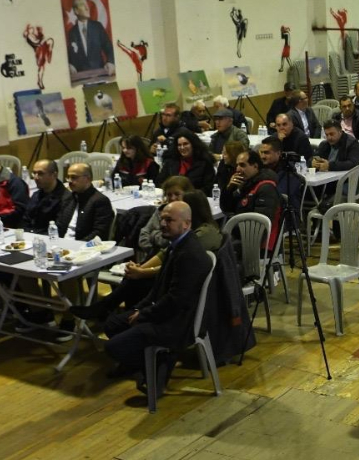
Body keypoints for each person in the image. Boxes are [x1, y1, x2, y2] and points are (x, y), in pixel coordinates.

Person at [101, 201, 214, 387]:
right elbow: (157, 290)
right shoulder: (176, 245)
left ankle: (157, 367)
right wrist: (139, 309)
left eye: (169, 220)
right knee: (112, 325)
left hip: (178, 323)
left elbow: (176, 301)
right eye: (162, 219)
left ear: (186, 224)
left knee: (113, 347)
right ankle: (146, 365)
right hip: (167, 312)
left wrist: (144, 314)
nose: (162, 224)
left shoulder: (189, 254)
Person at [221, 148, 281, 238]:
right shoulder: (246, 184)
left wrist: (231, 229)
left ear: (255, 166)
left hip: (254, 241)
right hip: (241, 233)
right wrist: (229, 189)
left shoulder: (266, 188)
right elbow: (227, 209)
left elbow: (260, 226)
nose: (237, 169)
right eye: (237, 165)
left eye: (242, 165)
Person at [62, 162, 115, 241]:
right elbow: (59, 225)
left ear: (88, 179)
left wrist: (78, 245)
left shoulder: (100, 201)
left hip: (82, 245)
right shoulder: (69, 198)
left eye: (73, 177)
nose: (69, 181)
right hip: (61, 243)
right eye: (68, 177)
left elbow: (99, 233)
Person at [21, 159, 74, 234]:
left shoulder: (66, 198)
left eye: (40, 173)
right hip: (29, 236)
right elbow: (25, 220)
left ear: (54, 175)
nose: (36, 177)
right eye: (34, 173)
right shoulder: (36, 195)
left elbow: (59, 229)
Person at [65, 0, 114, 78]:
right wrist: (69, 64)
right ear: (76, 11)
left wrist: (110, 62)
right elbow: (69, 54)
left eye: (87, 5)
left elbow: (108, 46)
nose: (87, 8)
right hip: (81, 77)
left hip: (100, 75)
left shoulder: (97, 27)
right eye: (83, 5)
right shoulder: (72, 32)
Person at [259, 137, 304, 218]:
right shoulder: (259, 169)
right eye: (261, 152)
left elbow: (280, 198)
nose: (262, 156)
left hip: (282, 217)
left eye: (266, 153)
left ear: (278, 153)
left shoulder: (289, 174)